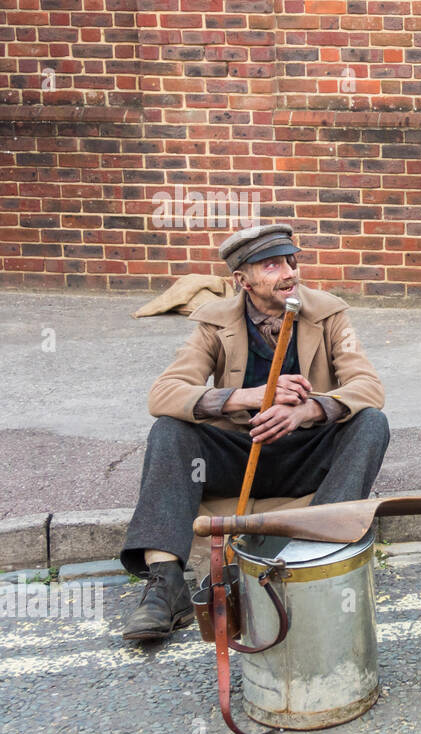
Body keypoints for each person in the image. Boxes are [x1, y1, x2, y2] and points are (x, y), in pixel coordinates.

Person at [120, 224, 390, 641]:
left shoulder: (329, 313)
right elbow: (164, 393)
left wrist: (309, 410)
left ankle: (318, 552)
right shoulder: (214, 323)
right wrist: (249, 396)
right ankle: (166, 584)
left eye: (289, 261)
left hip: (304, 455)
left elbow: (368, 387)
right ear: (241, 281)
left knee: (370, 423)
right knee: (170, 430)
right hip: (240, 453)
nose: (288, 273)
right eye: (271, 265)